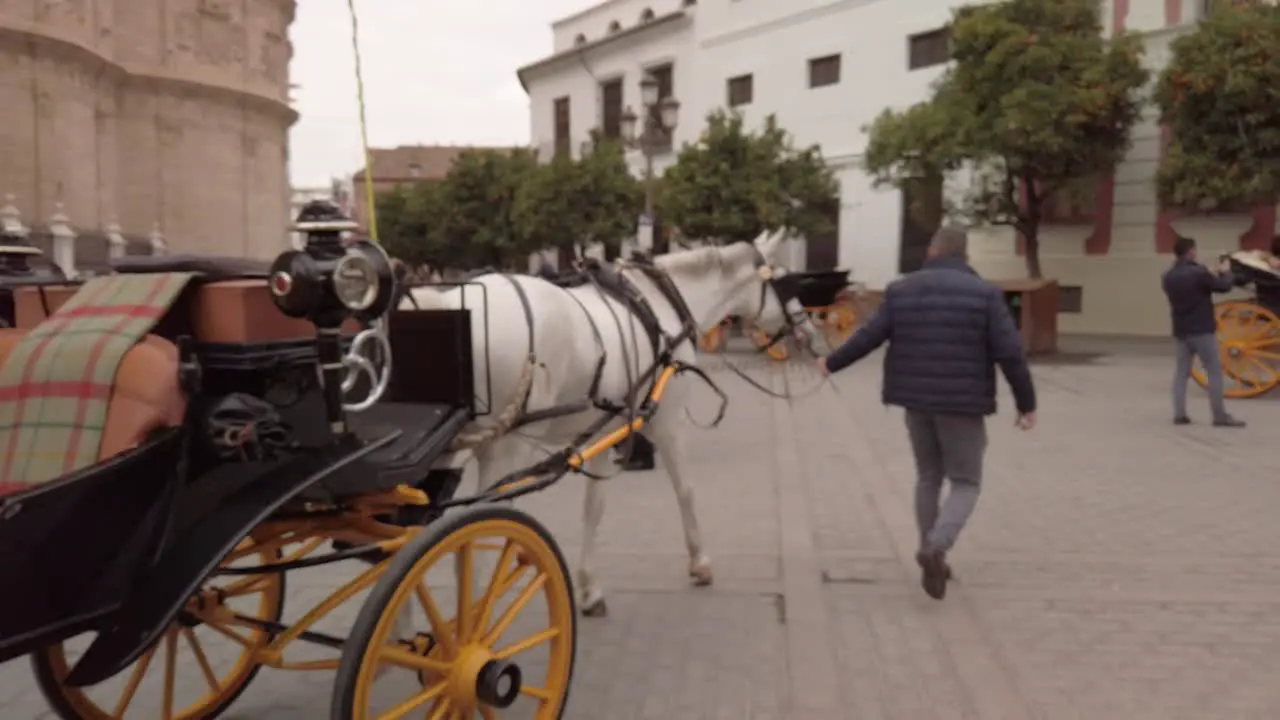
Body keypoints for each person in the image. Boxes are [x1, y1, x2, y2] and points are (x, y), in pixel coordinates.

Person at [816, 225, 1036, 601]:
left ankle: (930, 550)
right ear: (964, 256)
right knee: (966, 481)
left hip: (915, 400)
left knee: (928, 476)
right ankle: (936, 547)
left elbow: (871, 336)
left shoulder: (903, 289)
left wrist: (831, 363)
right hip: (963, 404)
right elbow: (1010, 353)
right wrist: (1026, 402)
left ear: (933, 251)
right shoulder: (985, 295)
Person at [1161, 236, 1244, 428]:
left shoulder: (1168, 276)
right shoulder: (1198, 273)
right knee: (1214, 371)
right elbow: (1223, 287)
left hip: (1181, 330)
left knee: (1181, 373)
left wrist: (1209, 273)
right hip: (1203, 330)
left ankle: (1179, 414)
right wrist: (1226, 272)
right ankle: (1219, 416)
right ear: (1190, 251)